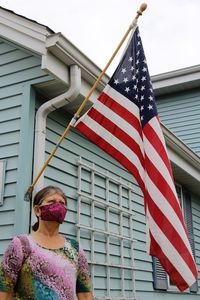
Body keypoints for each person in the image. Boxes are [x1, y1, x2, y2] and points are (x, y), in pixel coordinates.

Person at [0, 185, 93, 300]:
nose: (58, 206)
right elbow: (5, 290)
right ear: (37, 210)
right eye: (51, 201)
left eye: (62, 203)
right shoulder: (21, 244)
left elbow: (84, 293)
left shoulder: (75, 248)